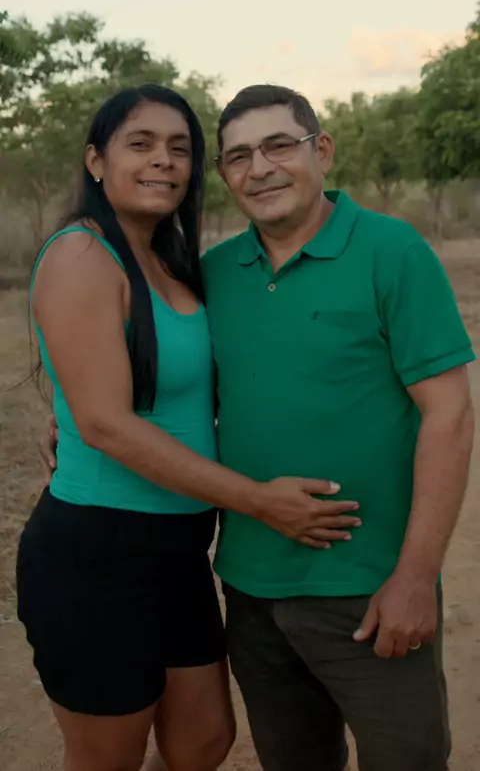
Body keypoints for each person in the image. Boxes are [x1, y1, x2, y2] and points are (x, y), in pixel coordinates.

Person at [40, 84, 475, 771]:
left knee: (396, 759)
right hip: (246, 585)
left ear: (321, 150)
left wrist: (417, 576)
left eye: (279, 146)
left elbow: (448, 413)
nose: (260, 168)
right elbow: (125, 398)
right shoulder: (213, 271)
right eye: (239, 156)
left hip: (365, 585)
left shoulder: (389, 250)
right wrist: (80, 419)